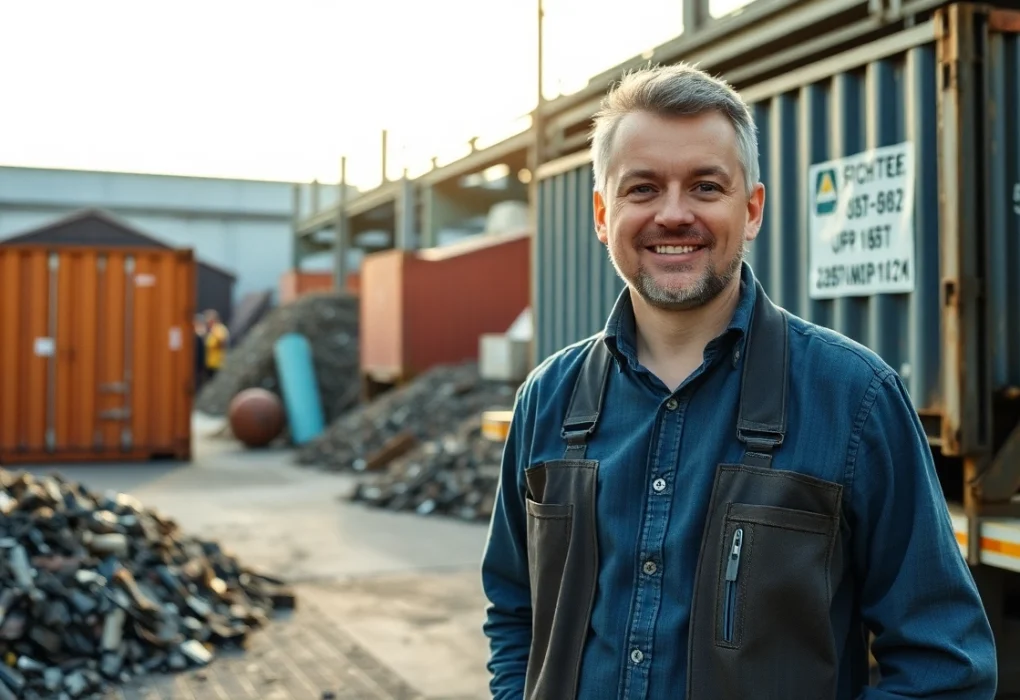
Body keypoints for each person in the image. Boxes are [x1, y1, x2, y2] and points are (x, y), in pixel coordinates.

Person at [480, 64, 997, 700]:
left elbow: (945, 663)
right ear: (601, 212)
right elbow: (515, 612)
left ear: (750, 209)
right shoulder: (547, 398)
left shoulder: (853, 398)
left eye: (705, 186)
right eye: (642, 189)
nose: (673, 215)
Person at [203, 309, 229, 381]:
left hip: (217, 363)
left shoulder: (219, 329)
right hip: (210, 363)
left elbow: (222, 341)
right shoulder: (211, 330)